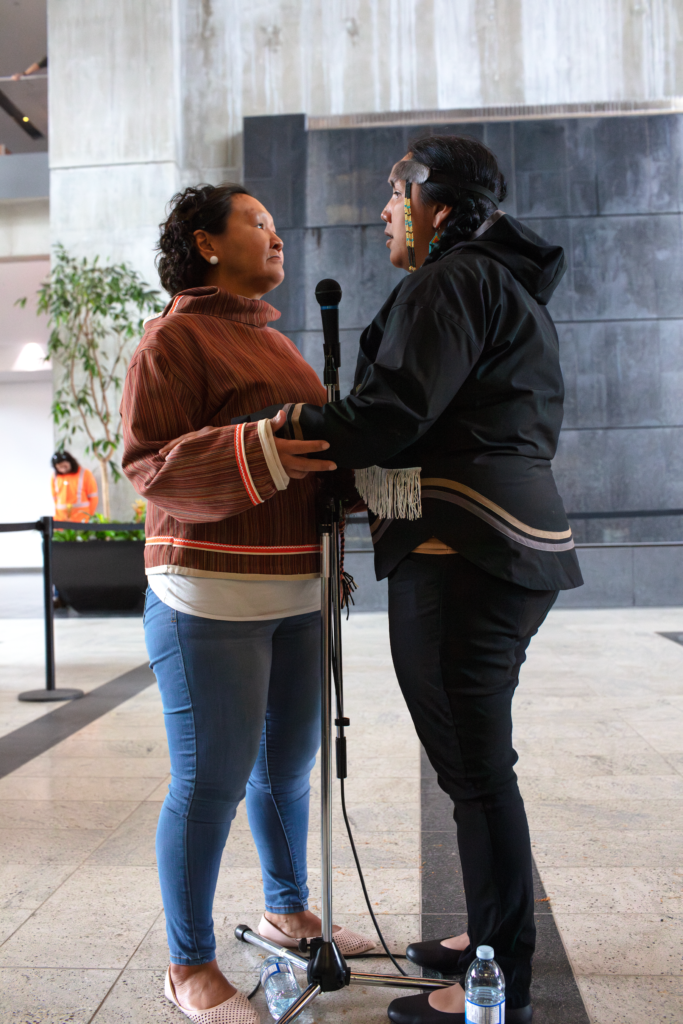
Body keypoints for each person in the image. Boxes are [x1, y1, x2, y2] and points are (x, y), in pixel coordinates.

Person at [272, 135, 583, 1024]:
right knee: (475, 767)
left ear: (437, 207)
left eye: (394, 192)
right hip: (496, 545)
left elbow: (396, 411)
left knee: (477, 772)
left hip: (463, 551)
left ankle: (497, 982)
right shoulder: (498, 282)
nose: (382, 210)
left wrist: (295, 425)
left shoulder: (452, 281)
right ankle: (485, 935)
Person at [121, 183, 373, 1024]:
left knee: (287, 768)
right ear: (204, 244)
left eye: (272, 224)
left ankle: (287, 906)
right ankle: (187, 964)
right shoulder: (171, 339)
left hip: (298, 586)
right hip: (209, 593)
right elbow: (148, 467)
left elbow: (308, 458)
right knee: (210, 782)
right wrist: (266, 444)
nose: (275, 236)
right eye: (256, 224)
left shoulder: (283, 347)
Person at [51, 451, 98, 521]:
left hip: (81, 518)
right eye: (59, 467)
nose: (63, 469)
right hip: (61, 519)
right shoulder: (54, 476)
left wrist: (89, 516)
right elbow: (55, 498)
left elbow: (93, 498)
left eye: (64, 466)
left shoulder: (85, 473)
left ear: (70, 462)